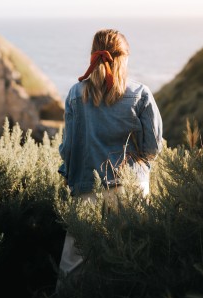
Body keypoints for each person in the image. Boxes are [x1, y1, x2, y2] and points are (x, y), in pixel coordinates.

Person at [56, 28, 164, 282]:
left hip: (87, 189)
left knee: (73, 266)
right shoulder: (141, 94)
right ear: (124, 58)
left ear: (92, 56)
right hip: (131, 189)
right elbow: (152, 149)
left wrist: (68, 175)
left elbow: (68, 149)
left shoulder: (75, 93)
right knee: (134, 260)